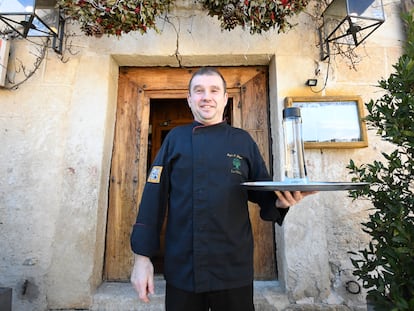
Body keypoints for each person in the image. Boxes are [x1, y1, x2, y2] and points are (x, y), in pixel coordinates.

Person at [130, 67, 315, 311]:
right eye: (199, 91)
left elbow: (265, 196)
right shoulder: (175, 139)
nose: (206, 96)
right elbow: (153, 200)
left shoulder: (243, 141)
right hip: (184, 267)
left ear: (225, 98)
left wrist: (282, 201)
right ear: (189, 99)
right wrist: (142, 259)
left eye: (214, 90)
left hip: (233, 267)